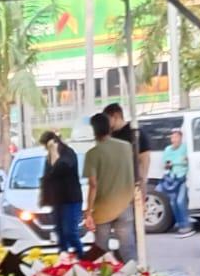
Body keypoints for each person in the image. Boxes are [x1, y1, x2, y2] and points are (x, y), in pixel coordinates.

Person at [82, 111, 137, 263]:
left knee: (102, 251)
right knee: (128, 249)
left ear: (94, 130)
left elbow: (93, 185)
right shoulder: (126, 147)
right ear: (109, 127)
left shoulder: (92, 154)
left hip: (102, 209)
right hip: (125, 205)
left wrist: (88, 212)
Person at [38, 130, 84, 254]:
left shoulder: (68, 154)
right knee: (60, 233)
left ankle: (82, 257)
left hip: (71, 199)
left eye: (46, 147)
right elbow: (48, 177)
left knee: (70, 232)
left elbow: (58, 169)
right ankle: (63, 257)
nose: (46, 150)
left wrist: (53, 152)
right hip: (57, 201)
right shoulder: (49, 158)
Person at [159, 127, 193, 236]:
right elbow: (165, 163)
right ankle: (180, 224)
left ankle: (186, 225)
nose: (174, 139)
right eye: (173, 137)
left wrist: (174, 162)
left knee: (180, 201)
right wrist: (177, 162)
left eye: (177, 137)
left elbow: (187, 161)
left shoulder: (185, 148)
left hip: (182, 178)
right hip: (172, 179)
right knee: (173, 203)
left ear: (181, 137)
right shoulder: (168, 149)